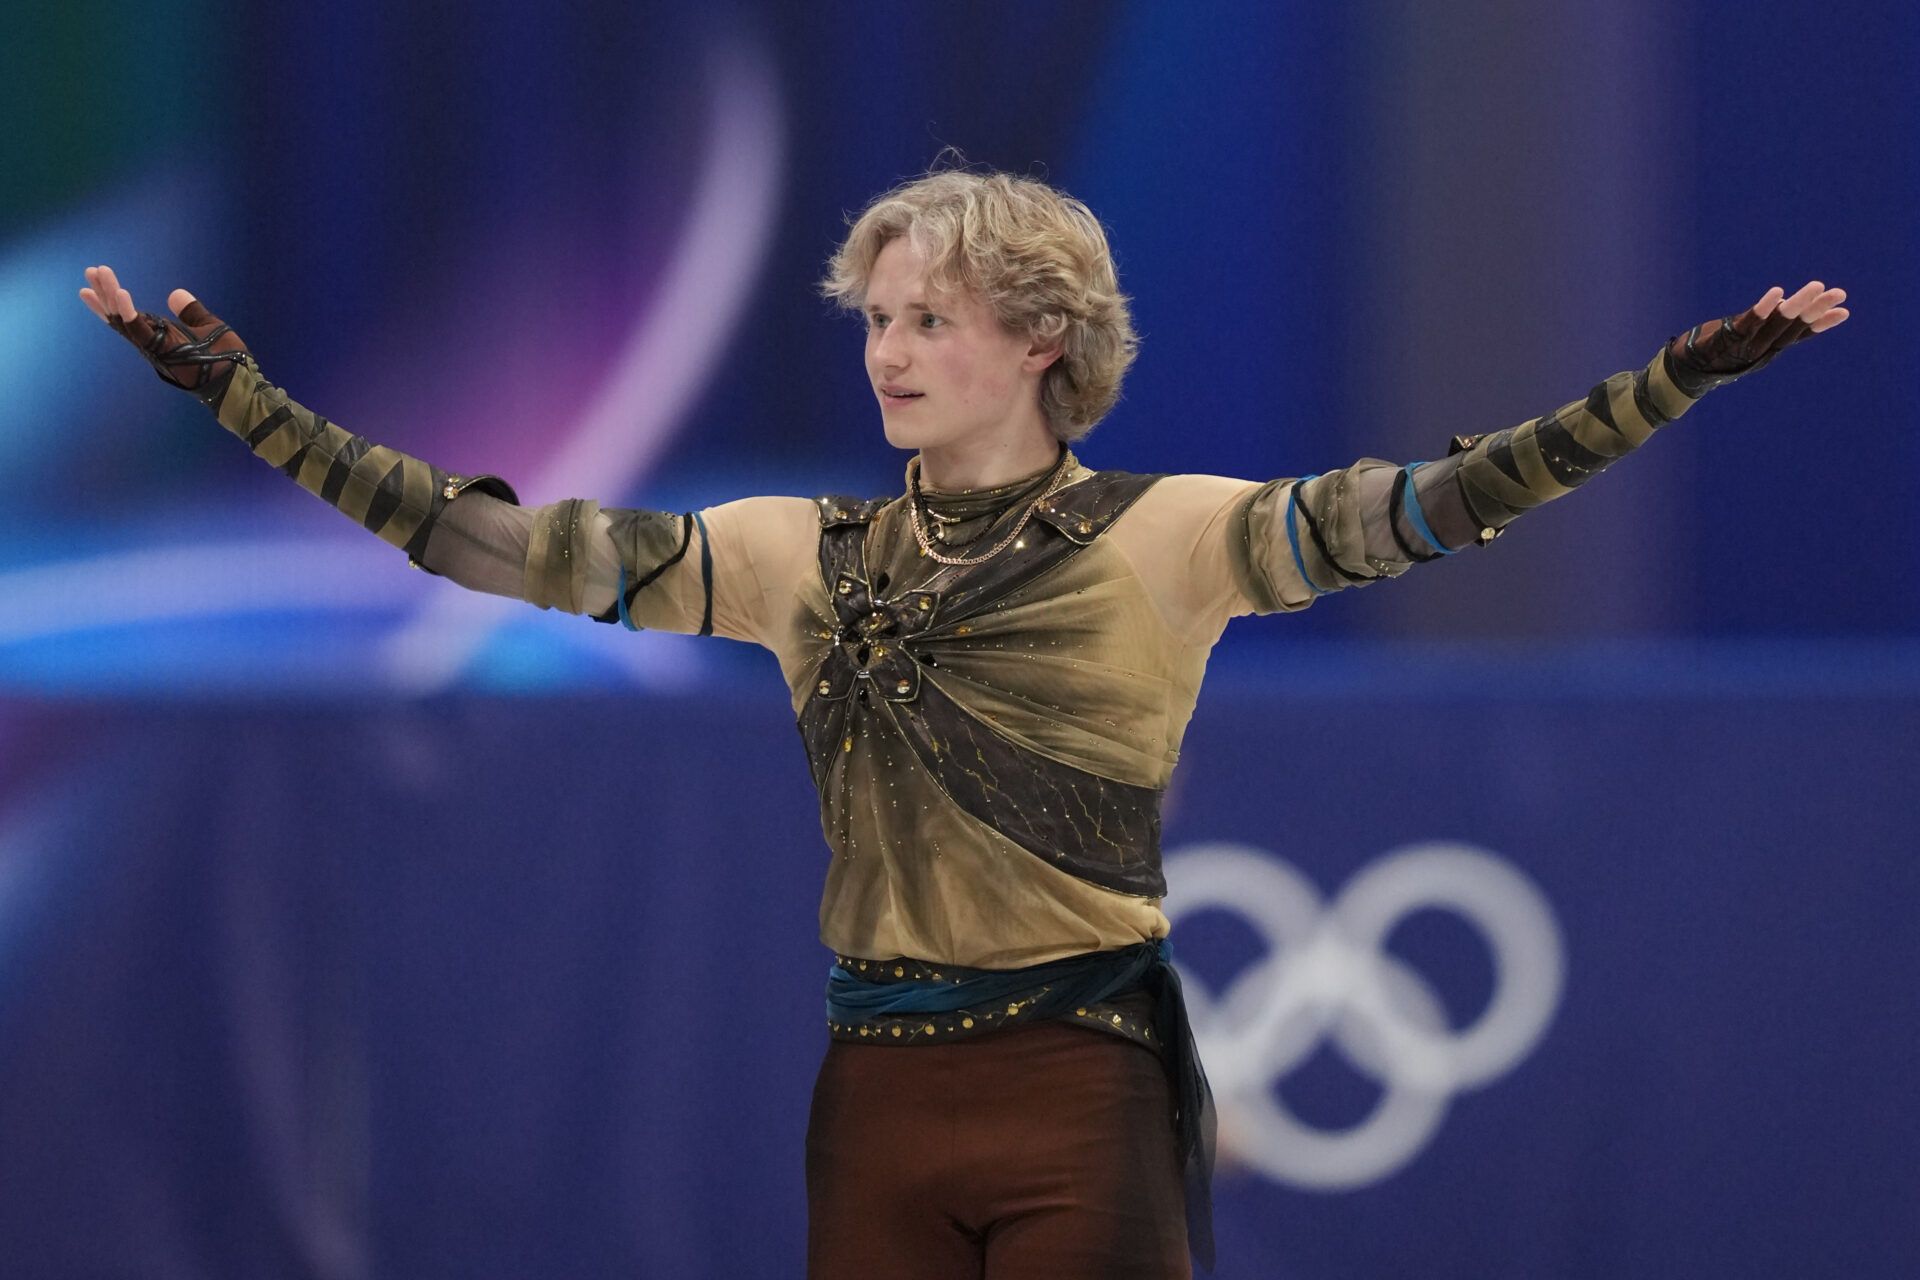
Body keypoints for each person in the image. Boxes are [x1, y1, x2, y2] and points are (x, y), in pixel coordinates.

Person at [78, 166, 1848, 1279]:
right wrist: (254, 407)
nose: (889, 349)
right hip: (875, 1094)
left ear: (1045, 340)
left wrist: (1663, 386)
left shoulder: (1174, 537)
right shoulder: (794, 556)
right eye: (878, 317)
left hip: (1081, 1088)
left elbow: (1443, 501)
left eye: (932, 316)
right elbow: (498, 543)